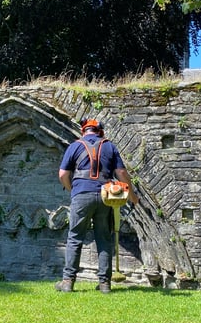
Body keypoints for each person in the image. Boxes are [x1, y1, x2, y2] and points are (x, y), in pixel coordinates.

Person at [56, 117, 139, 293]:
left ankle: (68, 282)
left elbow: (63, 174)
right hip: (105, 196)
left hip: (81, 195)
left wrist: (72, 189)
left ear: (83, 131)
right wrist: (132, 196)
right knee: (104, 238)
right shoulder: (109, 146)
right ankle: (104, 284)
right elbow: (121, 173)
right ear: (100, 131)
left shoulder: (75, 146)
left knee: (75, 238)